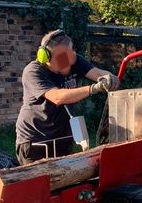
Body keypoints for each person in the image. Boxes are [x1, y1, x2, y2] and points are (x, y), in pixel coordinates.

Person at [15, 29, 120, 164]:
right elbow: (57, 97)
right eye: (60, 58)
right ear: (44, 56)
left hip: (62, 136)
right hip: (36, 140)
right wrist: (94, 88)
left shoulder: (73, 61)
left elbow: (98, 73)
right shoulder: (33, 71)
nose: (66, 63)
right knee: (38, 183)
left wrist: (108, 78)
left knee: (65, 179)